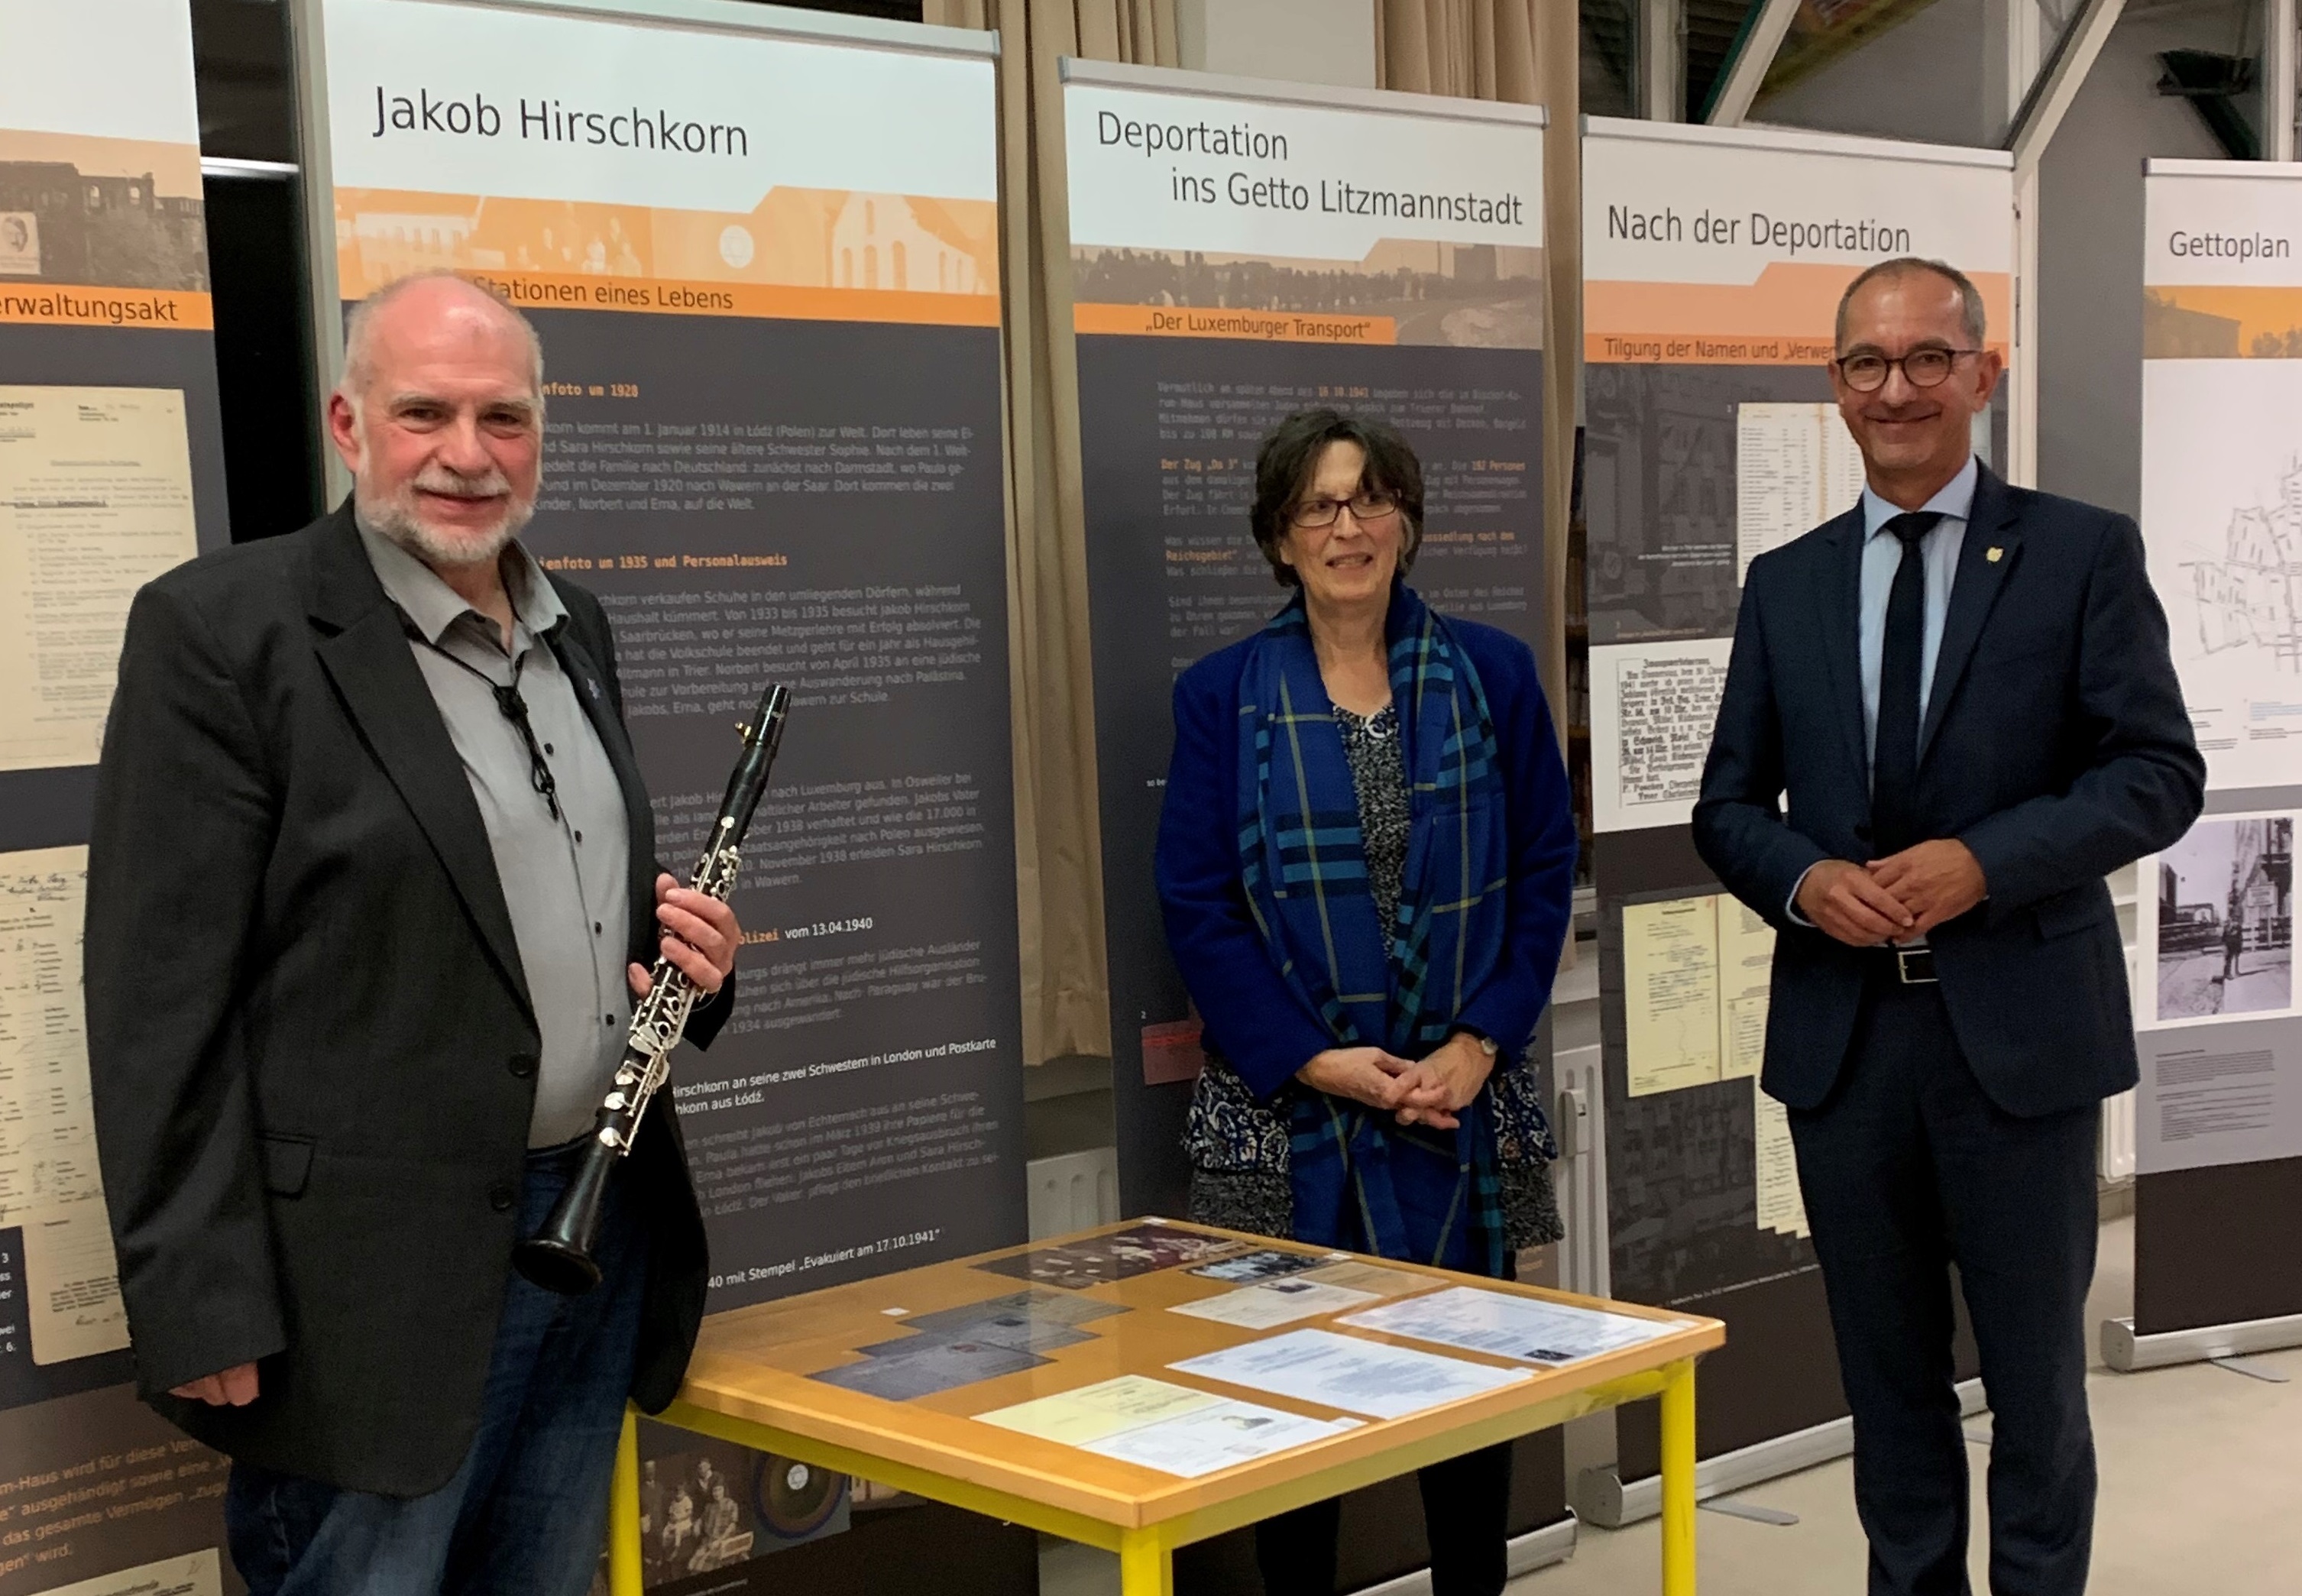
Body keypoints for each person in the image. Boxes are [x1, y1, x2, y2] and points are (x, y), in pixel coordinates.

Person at [86, 270, 742, 1595]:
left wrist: (691, 967)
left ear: (540, 434)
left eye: (502, 417)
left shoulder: (577, 627)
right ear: (346, 422)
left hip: (590, 1239)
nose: (465, 454)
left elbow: (553, 909)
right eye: (424, 412)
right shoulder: (224, 632)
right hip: (363, 1299)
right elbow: (159, 1000)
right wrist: (200, 1297)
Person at [1694, 257, 2204, 1596]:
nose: (1896, 388)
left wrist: (1986, 862)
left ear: (1981, 374)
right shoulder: (1785, 582)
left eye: (1927, 359)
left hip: (2019, 1043)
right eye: (1867, 363)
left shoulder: (2079, 551)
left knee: (2037, 1396)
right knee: (1889, 1392)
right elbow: (1728, 805)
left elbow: (2155, 773)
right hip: (1845, 1051)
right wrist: (1806, 883)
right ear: (1835, 388)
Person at [1156, 410, 1577, 1596]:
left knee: (1468, 1401)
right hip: (1281, 1111)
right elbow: (1195, 904)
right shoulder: (1222, 694)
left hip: (1460, 1102)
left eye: (1370, 499)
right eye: (1319, 507)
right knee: (1291, 1420)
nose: (1349, 527)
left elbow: (1545, 866)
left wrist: (1480, 1037)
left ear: (1405, 519)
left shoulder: (1490, 673)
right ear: (1278, 540)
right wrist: (1311, 1058)